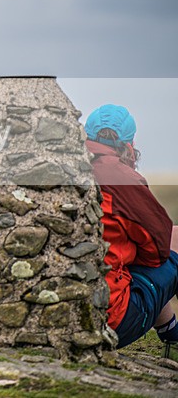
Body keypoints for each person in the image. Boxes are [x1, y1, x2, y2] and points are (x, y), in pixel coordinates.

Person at [85, 104, 178, 351]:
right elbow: (158, 251)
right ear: (129, 145)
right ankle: (173, 334)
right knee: (176, 238)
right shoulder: (122, 177)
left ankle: (172, 334)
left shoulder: (71, 165)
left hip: (66, 310)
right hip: (112, 319)